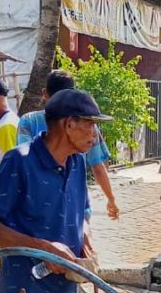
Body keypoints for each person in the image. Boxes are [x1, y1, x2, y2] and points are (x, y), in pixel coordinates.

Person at [0, 89, 110, 293]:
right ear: (69, 124)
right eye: (90, 125)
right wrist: (44, 249)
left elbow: (80, 212)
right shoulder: (19, 162)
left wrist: (84, 236)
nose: (94, 134)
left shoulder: (77, 163)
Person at [18, 70, 119, 220]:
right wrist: (111, 199)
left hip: (69, 212)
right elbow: (97, 167)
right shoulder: (82, 127)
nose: (91, 133)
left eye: (92, 125)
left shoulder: (77, 160)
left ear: (45, 93)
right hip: (42, 216)